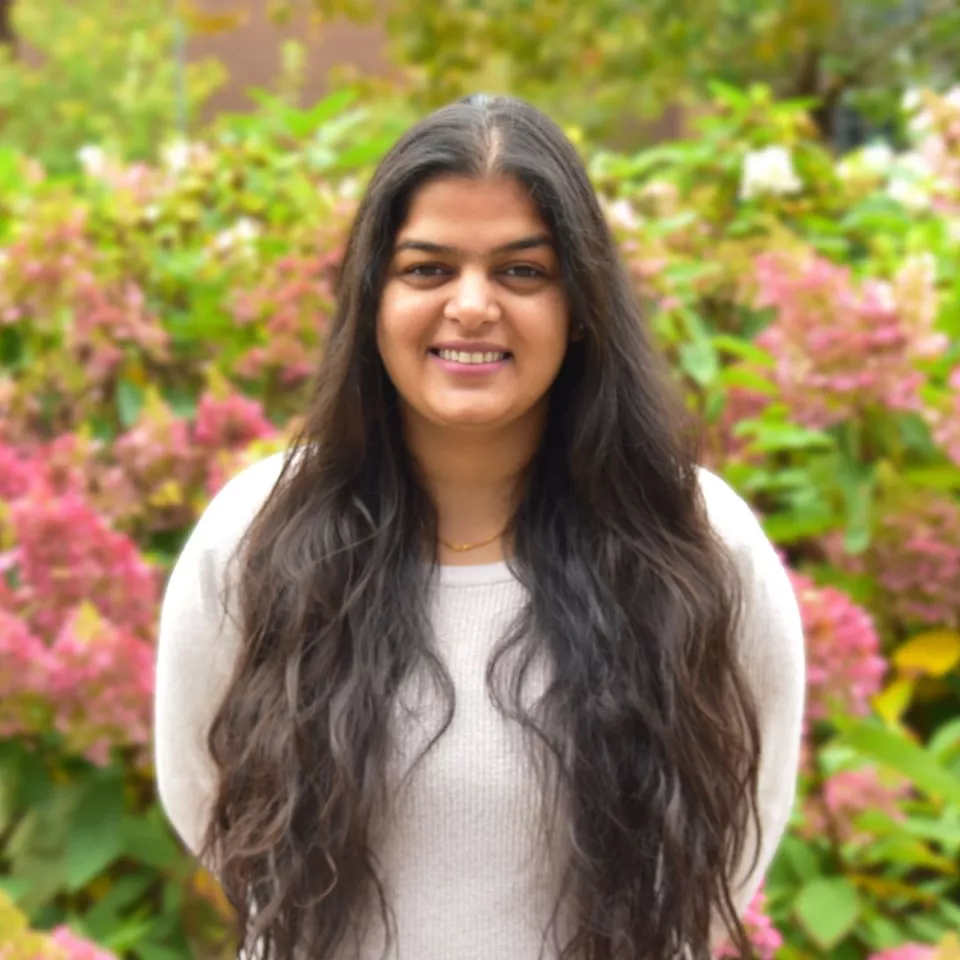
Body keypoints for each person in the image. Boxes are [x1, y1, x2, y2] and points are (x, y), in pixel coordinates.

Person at [154, 94, 805, 960]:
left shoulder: (696, 541)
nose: (471, 306)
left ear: (581, 304)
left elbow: (738, 825)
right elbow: (204, 794)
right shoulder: (257, 532)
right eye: (427, 269)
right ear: (373, 298)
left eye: (521, 272)